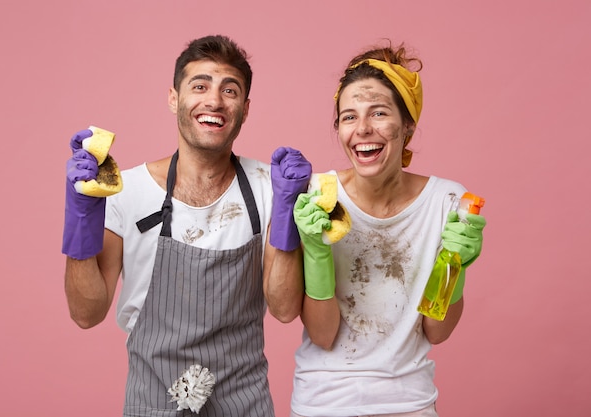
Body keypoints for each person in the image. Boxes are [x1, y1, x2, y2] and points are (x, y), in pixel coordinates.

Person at [62, 34, 310, 417]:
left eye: (230, 90)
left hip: (244, 405)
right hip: (152, 402)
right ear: (174, 98)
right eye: (200, 86)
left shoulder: (268, 188)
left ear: (244, 109)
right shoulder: (127, 191)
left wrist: (288, 212)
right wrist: (81, 217)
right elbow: (86, 313)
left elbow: (282, 308)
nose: (214, 100)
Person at [290, 40, 487, 417]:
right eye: (348, 117)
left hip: (410, 402)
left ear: (407, 125)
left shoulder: (448, 202)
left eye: (378, 113)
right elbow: (322, 335)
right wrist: (315, 251)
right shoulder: (317, 197)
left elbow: (437, 332)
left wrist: (454, 265)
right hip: (324, 402)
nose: (363, 128)